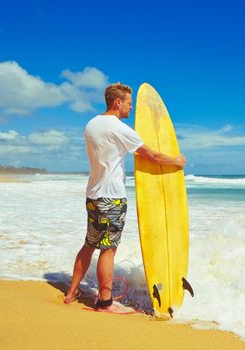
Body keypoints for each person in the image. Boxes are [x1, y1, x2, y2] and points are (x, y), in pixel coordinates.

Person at [63, 82, 186, 310]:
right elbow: (150, 155)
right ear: (117, 102)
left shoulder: (91, 124)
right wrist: (175, 161)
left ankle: (71, 292)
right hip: (112, 197)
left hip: (93, 195)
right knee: (108, 250)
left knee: (90, 244)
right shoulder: (119, 128)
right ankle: (105, 301)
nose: (131, 108)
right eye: (129, 103)